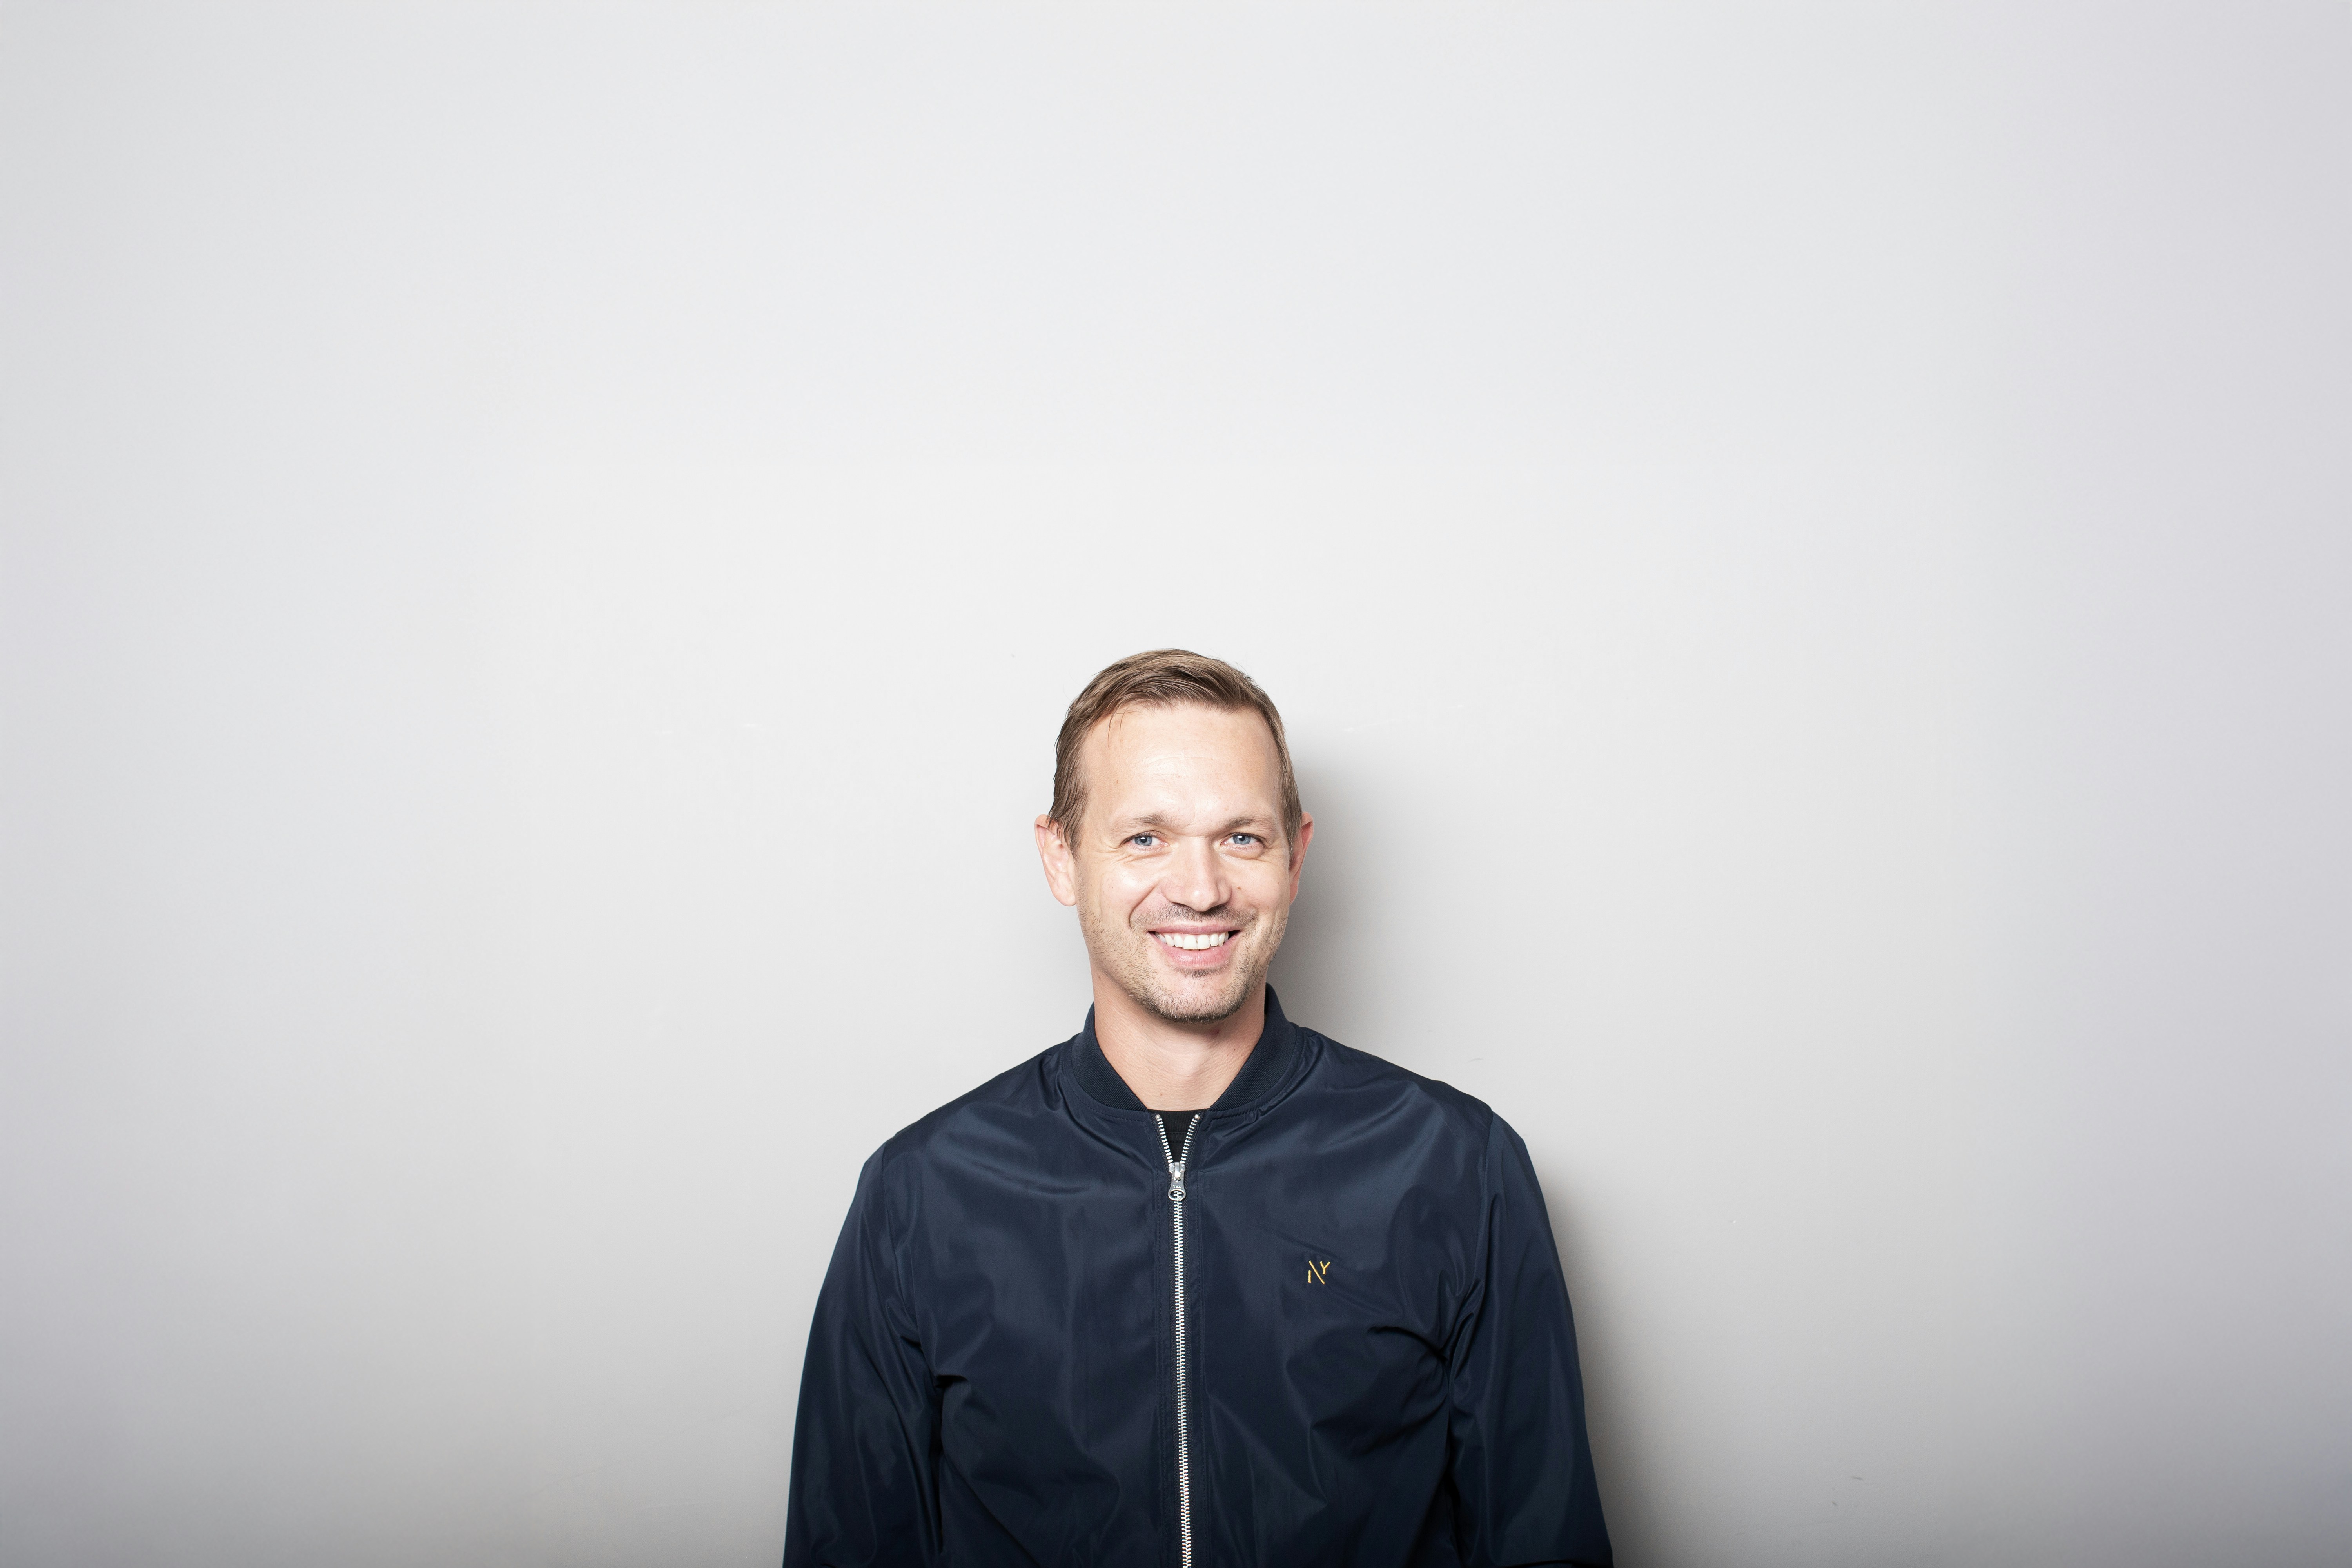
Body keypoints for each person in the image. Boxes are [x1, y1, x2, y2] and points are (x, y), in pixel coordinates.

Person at [783, 650, 1611, 1567]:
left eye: (1242, 838)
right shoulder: (921, 1194)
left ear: (1296, 859)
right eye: (1146, 837)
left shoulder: (1458, 1167)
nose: (1202, 887)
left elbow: (1545, 1541)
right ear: (1062, 856)